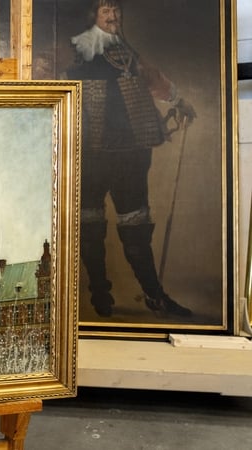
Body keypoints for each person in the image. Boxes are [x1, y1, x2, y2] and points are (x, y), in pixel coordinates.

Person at [67, 0, 196, 318]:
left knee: (135, 222)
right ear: (93, 15)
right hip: (87, 150)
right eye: (105, 11)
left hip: (128, 150)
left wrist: (177, 100)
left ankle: (153, 295)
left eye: (116, 10)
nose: (113, 16)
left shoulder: (122, 47)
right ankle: (100, 294)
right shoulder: (78, 48)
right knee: (90, 222)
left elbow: (148, 77)